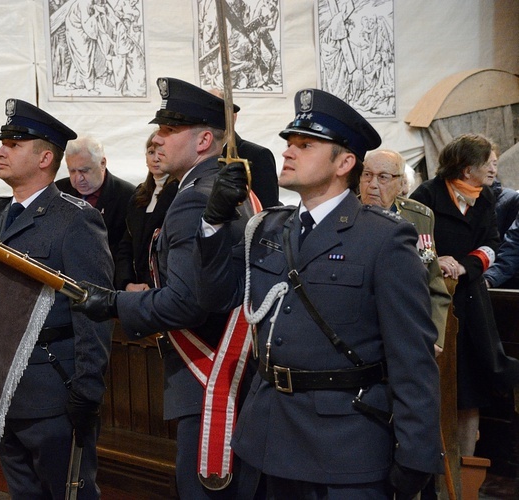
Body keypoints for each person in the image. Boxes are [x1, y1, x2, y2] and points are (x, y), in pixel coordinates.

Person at [195, 88, 443, 499]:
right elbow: (215, 299)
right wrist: (214, 224)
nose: (288, 153)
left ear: (345, 162)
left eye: (305, 145)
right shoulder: (268, 228)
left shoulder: (383, 239)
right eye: (289, 143)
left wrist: (417, 455)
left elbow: (412, 357)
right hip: (269, 437)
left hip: (344, 445)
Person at [72, 77, 260, 499]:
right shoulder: (216, 188)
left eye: (171, 130)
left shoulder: (196, 197)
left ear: (204, 140)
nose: (158, 137)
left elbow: (187, 301)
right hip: (225, 371)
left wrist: (115, 303)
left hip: (209, 373)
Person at [0, 99, 113, 499]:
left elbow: (93, 309)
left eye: (14, 144)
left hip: (53, 390)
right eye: (3, 142)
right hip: (2, 388)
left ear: (45, 157)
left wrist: (87, 389)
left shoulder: (75, 219)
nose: (1, 150)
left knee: (70, 493)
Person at [410, 133, 519, 457]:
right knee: (438, 386)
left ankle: (467, 470)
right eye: (488, 162)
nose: (493, 168)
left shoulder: (485, 198)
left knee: (471, 389)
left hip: (471, 300)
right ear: (467, 165)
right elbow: (412, 239)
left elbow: (492, 245)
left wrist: (467, 266)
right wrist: (435, 260)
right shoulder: (426, 194)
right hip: (432, 301)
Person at [360, 149, 451, 353]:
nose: (372, 184)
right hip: (360, 338)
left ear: (402, 184)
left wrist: (435, 336)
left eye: (383, 177)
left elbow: (434, 285)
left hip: (408, 334)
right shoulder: (345, 215)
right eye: (367, 175)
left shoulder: (420, 217)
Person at [114, 130, 178, 291]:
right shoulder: (138, 195)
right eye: (151, 152)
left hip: (164, 287)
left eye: (161, 152)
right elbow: (126, 246)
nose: (155, 158)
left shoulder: (179, 192)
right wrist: (126, 283)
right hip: (137, 287)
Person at [56, 135, 136, 262]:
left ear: (102, 163)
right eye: (72, 171)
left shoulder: (128, 196)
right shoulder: (58, 190)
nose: (78, 179)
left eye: (84, 171)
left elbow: (127, 250)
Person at [209, 89, 279, 209]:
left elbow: (268, 212)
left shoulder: (257, 156)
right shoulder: (194, 155)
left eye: (216, 111)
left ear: (233, 116)